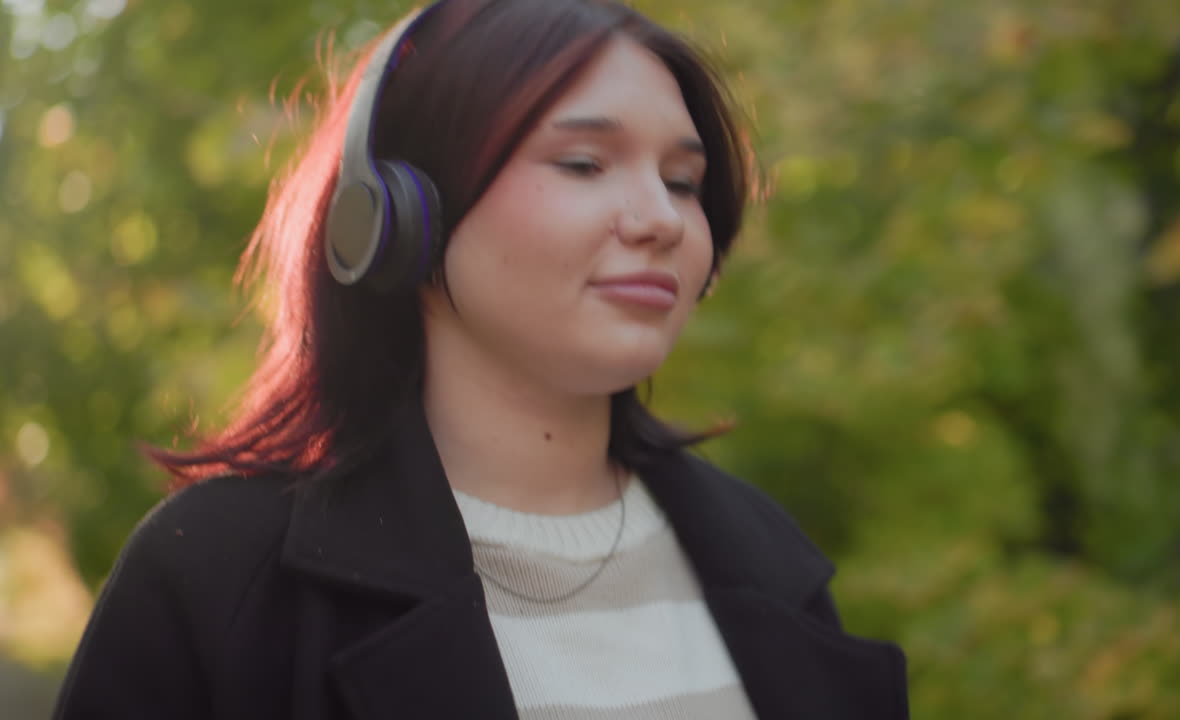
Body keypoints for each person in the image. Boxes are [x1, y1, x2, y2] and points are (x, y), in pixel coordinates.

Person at [54, 0, 909, 717]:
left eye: (683, 181)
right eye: (584, 163)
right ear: (394, 218)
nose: (661, 218)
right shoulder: (218, 577)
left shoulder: (770, 556)